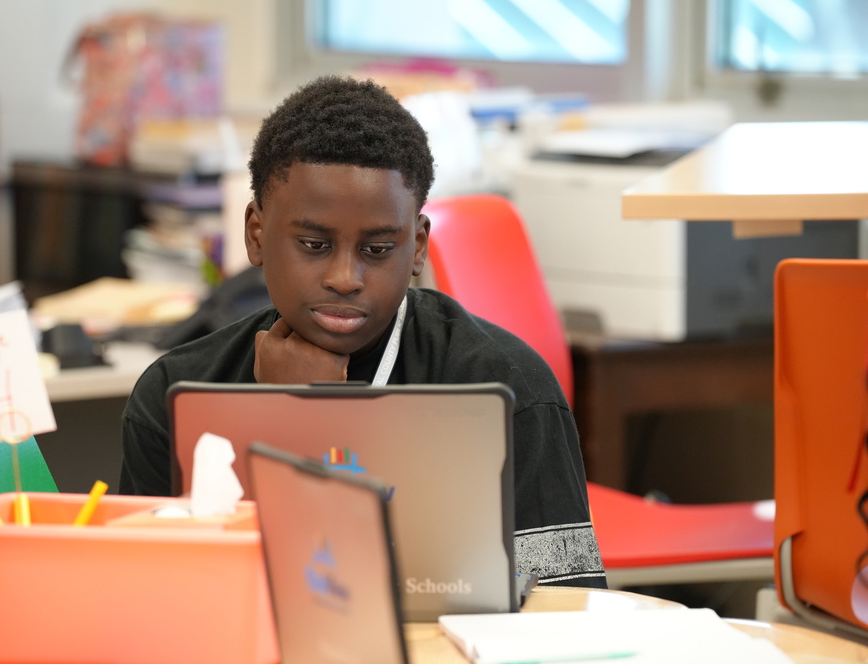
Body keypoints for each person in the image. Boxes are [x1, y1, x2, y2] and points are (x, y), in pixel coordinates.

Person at [121, 75, 606, 588]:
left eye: (377, 250)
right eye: (313, 244)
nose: (344, 279)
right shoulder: (174, 395)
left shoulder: (509, 387)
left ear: (417, 248)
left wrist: (326, 413)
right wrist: (289, 415)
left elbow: (567, 604)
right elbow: (146, 597)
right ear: (256, 235)